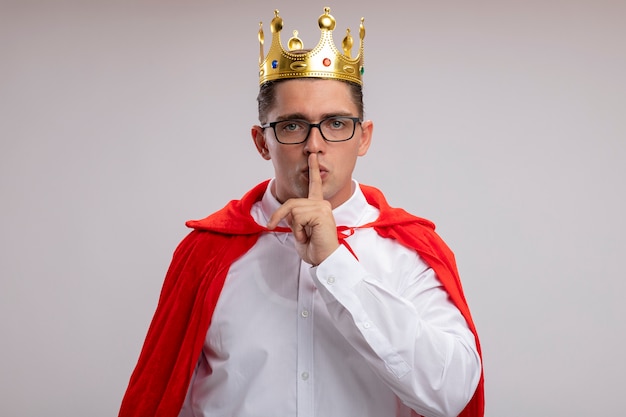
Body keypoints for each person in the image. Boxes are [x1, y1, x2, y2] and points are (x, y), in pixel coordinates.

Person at [119, 7, 484, 417]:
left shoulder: (411, 253)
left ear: (362, 138)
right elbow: (164, 400)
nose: (314, 145)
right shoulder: (204, 255)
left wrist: (336, 265)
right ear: (262, 143)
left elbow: (451, 394)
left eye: (335, 123)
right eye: (292, 126)